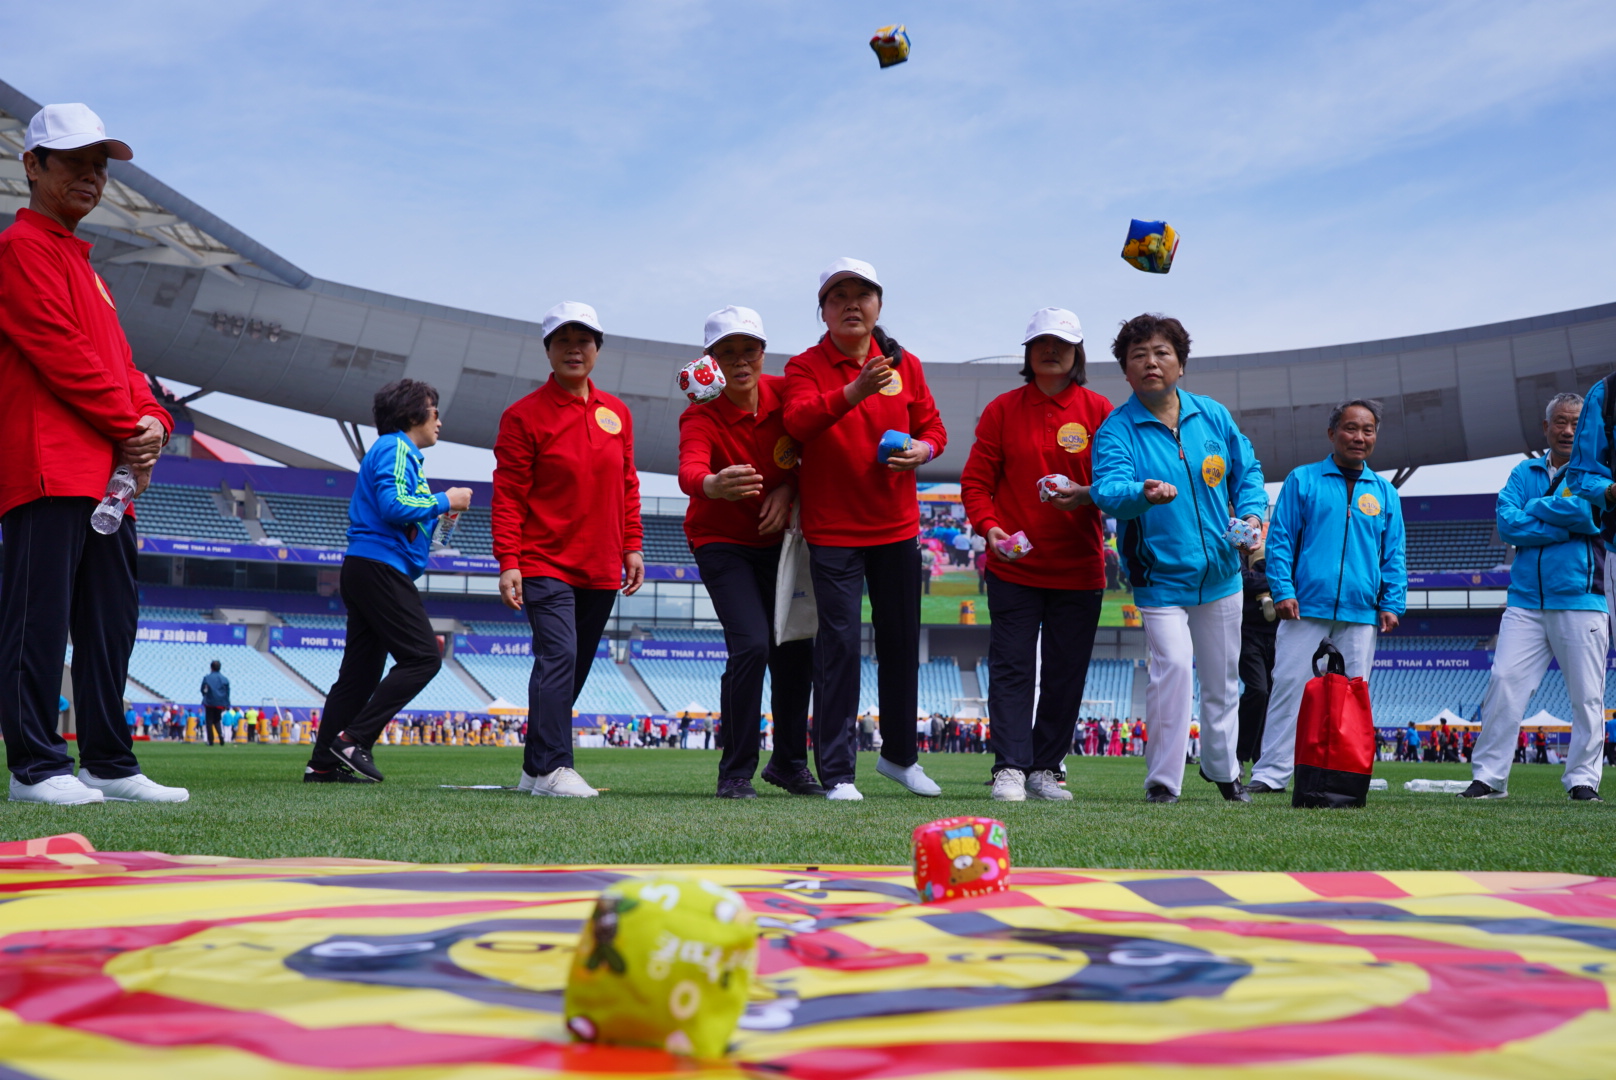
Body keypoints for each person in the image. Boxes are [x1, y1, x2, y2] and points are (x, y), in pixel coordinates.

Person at [0, 103, 187, 805]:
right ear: (32, 166)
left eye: (99, 165)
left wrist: (154, 419)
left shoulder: (84, 265)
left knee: (111, 621)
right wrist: (130, 422)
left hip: (107, 473)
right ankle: (36, 768)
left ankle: (107, 760)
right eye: (74, 160)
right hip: (49, 464)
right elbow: (61, 355)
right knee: (36, 618)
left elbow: (121, 363)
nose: (90, 175)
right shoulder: (21, 250)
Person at [782, 258, 947, 800]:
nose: (852, 304)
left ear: (879, 306)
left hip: (897, 528)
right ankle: (837, 772)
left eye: (863, 295)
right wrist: (854, 390)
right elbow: (799, 423)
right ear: (824, 311)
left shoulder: (906, 364)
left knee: (901, 645)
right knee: (839, 649)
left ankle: (900, 757)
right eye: (839, 296)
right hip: (833, 531)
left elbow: (934, 428)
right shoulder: (805, 366)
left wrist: (923, 448)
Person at [1092, 313, 1265, 804]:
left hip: (1223, 575)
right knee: (1172, 672)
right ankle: (1164, 782)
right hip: (1159, 578)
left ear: (1181, 364)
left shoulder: (1211, 415)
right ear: (1126, 372)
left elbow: (1247, 471)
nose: (1151, 362)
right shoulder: (1117, 430)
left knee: (1223, 681)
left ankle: (1224, 770)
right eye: (1138, 355)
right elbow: (1107, 490)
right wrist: (1141, 493)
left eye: (1162, 352)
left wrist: (1251, 516)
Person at [961, 307, 1112, 802]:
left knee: (1067, 671)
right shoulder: (1002, 409)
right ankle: (1009, 766)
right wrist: (991, 530)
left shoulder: (1100, 411)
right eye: (1042, 342)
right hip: (1014, 565)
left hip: (1079, 565)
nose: (1052, 351)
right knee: (1012, 667)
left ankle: (1046, 768)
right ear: (1027, 352)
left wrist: (1086, 491)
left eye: (1063, 343)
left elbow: (1114, 484)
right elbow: (976, 483)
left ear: (1077, 353)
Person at [494, 302, 644, 798]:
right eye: (563, 341)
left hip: (601, 565)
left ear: (598, 349)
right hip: (544, 561)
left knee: (572, 669)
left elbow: (627, 484)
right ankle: (555, 768)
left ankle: (533, 768)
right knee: (557, 658)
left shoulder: (617, 414)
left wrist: (633, 547)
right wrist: (509, 561)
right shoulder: (522, 416)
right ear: (549, 351)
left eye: (584, 341)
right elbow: (510, 493)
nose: (574, 350)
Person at [677, 307, 819, 799]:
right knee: (753, 645)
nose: (740, 361)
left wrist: (791, 490)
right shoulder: (700, 412)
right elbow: (690, 468)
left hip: (781, 545)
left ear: (763, 353)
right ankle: (735, 772)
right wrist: (713, 484)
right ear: (710, 361)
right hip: (721, 543)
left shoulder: (787, 394)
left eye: (749, 350)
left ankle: (789, 764)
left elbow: (817, 453)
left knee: (796, 649)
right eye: (727, 352)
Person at [305, 379, 471, 782]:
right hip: (380, 568)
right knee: (423, 657)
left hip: (369, 567)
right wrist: (446, 500)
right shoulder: (396, 447)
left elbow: (407, 517)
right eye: (435, 411)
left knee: (359, 675)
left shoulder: (402, 455)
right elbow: (393, 505)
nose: (440, 422)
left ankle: (324, 763)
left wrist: (439, 516)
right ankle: (354, 739)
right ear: (413, 414)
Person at [1247, 399, 1406, 794]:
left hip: (1361, 611)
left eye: (1368, 430)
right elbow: (1280, 540)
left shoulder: (1385, 493)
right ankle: (1271, 774)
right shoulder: (1303, 480)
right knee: (1288, 687)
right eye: (1351, 428)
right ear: (1332, 433)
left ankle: (1344, 772)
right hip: (1306, 607)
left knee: (1353, 694)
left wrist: (1391, 602)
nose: (1359, 437)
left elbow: (1394, 553)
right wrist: (1282, 590)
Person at [1463, 393, 1606, 801]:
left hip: (1581, 597)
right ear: (1545, 427)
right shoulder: (1522, 471)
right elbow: (1508, 525)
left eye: (1576, 423)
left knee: (1587, 696)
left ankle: (1582, 780)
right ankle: (1489, 778)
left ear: (1587, 428)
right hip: (1524, 601)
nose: (1567, 430)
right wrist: (1564, 523)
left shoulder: (1598, 473)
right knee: (1504, 682)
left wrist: (1537, 511)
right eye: (1559, 422)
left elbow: (1588, 514)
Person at [1236, 543, 1278, 767]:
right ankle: (1239, 755)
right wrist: (1274, 580)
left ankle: (1261, 758)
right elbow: (1243, 580)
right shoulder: (1237, 554)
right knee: (1258, 690)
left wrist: (1260, 579)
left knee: (1271, 696)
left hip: (1277, 635)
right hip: (1248, 633)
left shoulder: (1281, 553)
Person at [201, 660, 230, 746]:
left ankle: (211, 741)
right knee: (217, 720)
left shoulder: (207, 678)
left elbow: (203, 689)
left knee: (209, 721)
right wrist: (226, 703)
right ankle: (220, 735)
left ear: (211, 668)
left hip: (209, 702)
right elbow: (227, 693)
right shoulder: (225, 679)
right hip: (220, 703)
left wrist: (205, 695)